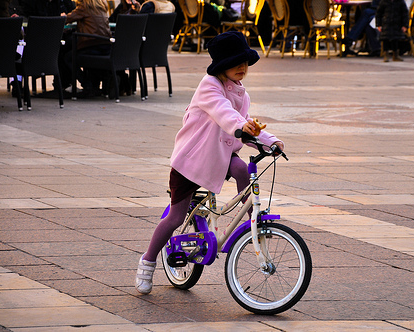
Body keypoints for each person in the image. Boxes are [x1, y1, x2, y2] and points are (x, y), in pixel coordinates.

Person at [135, 31, 284, 295]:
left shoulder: (241, 92)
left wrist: (270, 140)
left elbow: (246, 122)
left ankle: (252, 223)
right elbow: (224, 114)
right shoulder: (209, 86)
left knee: (241, 169)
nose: (242, 67)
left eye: (245, 62)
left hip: (220, 156)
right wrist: (242, 127)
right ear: (220, 66)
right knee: (175, 217)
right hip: (191, 161)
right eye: (235, 62)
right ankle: (147, 261)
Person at [62, 0, 112, 96]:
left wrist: (63, 16)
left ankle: (87, 84)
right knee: (78, 52)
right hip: (106, 46)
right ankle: (94, 84)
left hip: (91, 44)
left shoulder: (84, 7)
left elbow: (67, 19)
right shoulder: (101, 6)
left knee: (68, 57)